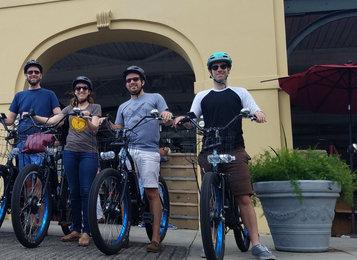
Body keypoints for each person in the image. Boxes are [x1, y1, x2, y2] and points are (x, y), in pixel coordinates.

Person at [173, 52, 275, 260]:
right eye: (215, 67)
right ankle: (211, 242)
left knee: (243, 197)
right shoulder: (202, 96)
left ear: (228, 69)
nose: (219, 69)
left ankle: (256, 243)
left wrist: (257, 114)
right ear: (210, 72)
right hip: (210, 149)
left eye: (223, 66)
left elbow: (254, 109)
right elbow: (193, 116)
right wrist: (183, 119)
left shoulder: (240, 92)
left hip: (234, 149)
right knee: (210, 199)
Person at [99, 66, 173, 253]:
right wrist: (105, 122)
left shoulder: (155, 98)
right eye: (128, 80)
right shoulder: (123, 106)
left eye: (135, 79)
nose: (132, 82)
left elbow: (167, 118)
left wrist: (166, 115)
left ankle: (155, 239)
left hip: (148, 151)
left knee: (151, 192)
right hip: (128, 151)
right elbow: (118, 127)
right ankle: (125, 235)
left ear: (142, 81)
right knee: (125, 194)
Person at [31, 76, 101, 247]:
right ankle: (76, 229)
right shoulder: (70, 108)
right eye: (78, 88)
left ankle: (86, 231)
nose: (81, 90)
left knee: (86, 191)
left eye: (84, 88)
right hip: (70, 152)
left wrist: (86, 118)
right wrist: (35, 116)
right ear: (75, 92)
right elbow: (54, 120)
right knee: (74, 192)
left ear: (89, 91)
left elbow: (95, 129)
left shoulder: (94, 107)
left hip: (88, 153)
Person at [0, 60, 61, 167]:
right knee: (24, 176)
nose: (33, 74)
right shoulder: (19, 96)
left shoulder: (49, 94)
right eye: (30, 72)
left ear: (40, 75)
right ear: (26, 75)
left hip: (41, 138)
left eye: (36, 72)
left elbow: (59, 115)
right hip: (22, 138)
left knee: (38, 175)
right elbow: (10, 121)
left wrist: (46, 121)